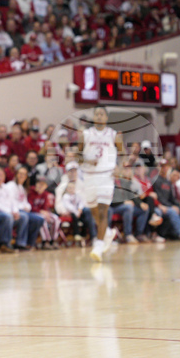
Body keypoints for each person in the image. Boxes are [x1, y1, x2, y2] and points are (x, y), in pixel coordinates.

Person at [78, 107, 123, 260]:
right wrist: (88, 160)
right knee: (94, 212)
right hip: (89, 176)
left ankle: (98, 245)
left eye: (101, 114)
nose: (98, 116)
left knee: (103, 211)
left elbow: (123, 154)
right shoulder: (85, 134)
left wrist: (119, 168)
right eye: (96, 114)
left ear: (106, 117)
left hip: (106, 175)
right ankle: (108, 233)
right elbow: (77, 157)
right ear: (93, 117)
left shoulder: (114, 134)